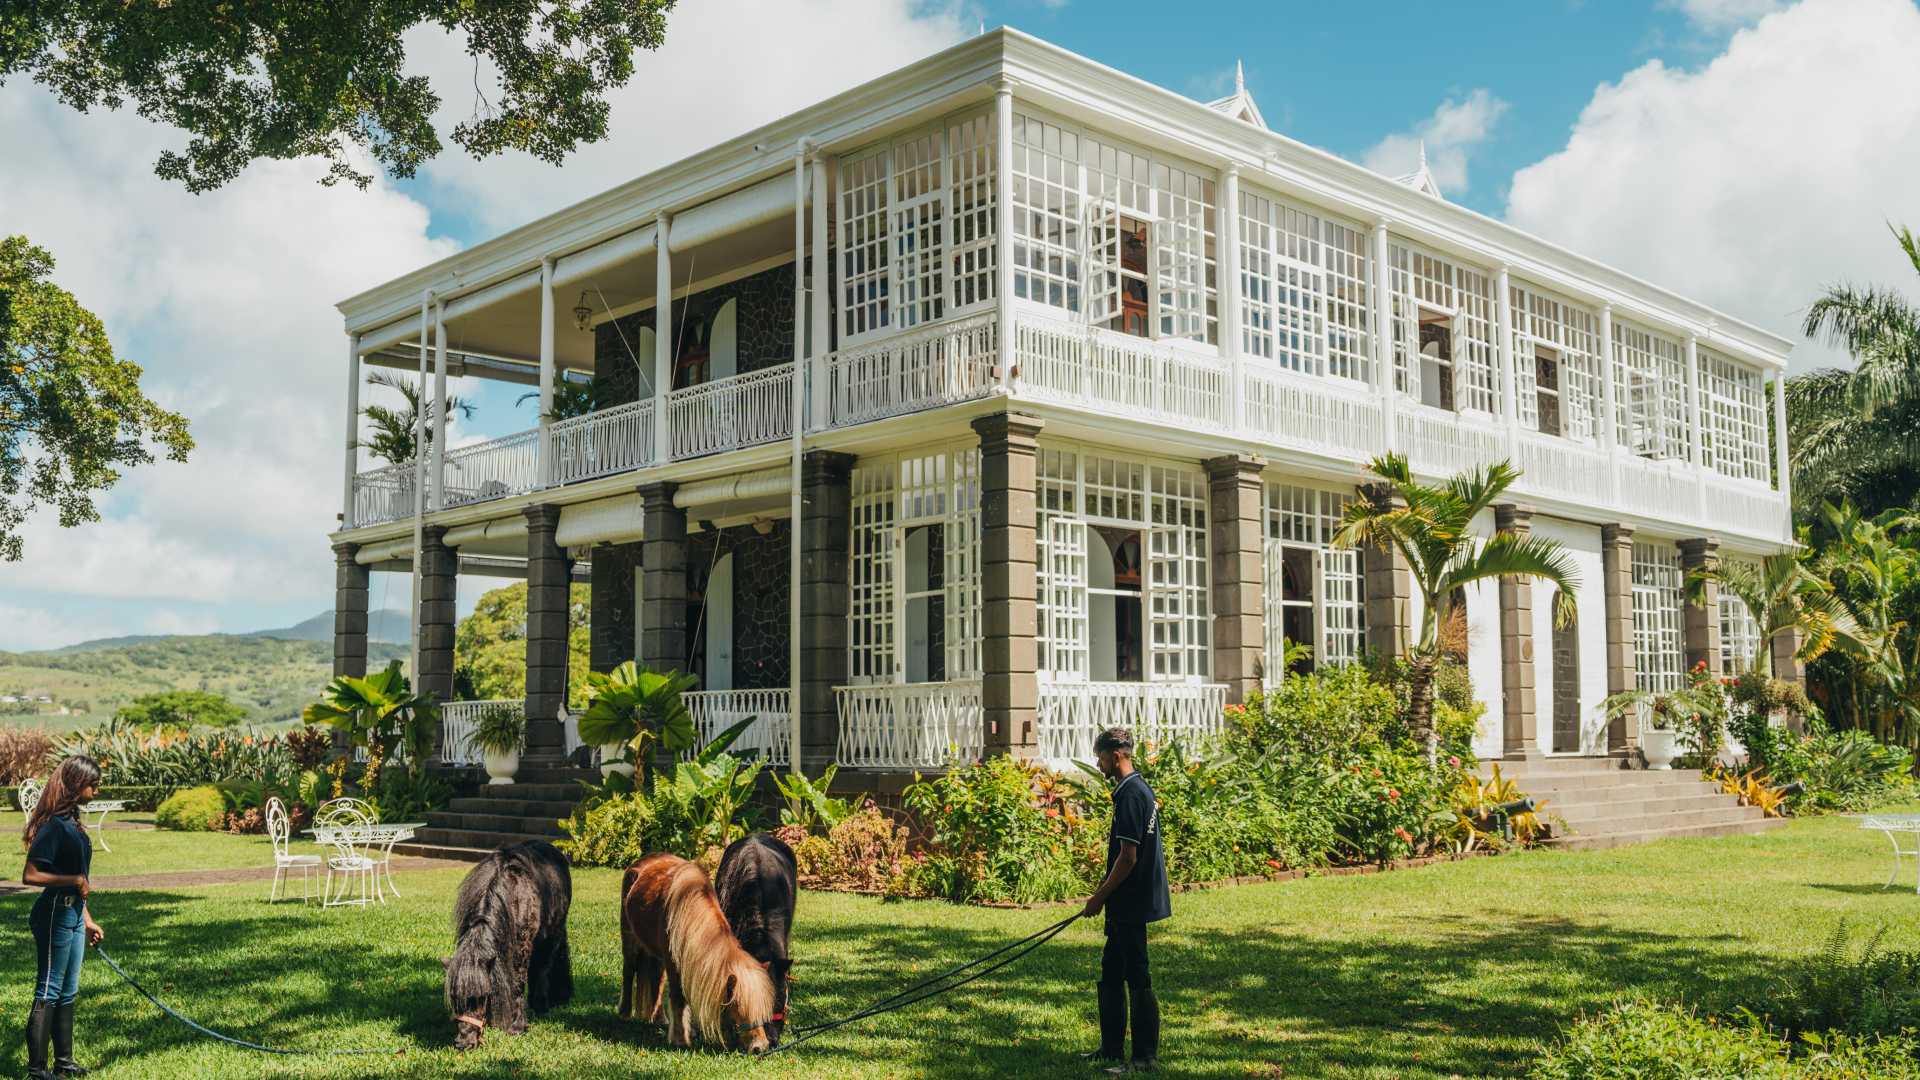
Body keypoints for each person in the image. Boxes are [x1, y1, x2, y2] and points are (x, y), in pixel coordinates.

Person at [1080, 727, 1169, 1075]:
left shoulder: (1132, 795)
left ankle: (1145, 1058)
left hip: (1131, 900)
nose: (1098, 763)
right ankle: (1111, 1048)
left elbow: (1129, 857)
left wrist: (1098, 897)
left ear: (1116, 755)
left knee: (1137, 975)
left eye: (1100, 756)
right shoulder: (1134, 789)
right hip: (1125, 901)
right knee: (1112, 971)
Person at [22, 756, 106, 1079]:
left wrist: (87, 920)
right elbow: (31, 875)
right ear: (76, 784)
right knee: (49, 987)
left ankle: (64, 1061)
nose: (95, 791)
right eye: (92, 785)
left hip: (72, 913)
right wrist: (72, 881)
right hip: (54, 912)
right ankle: (37, 1070)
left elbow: (80, 883)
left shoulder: (73, 822)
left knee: (68, 990)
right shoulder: (54, 825)